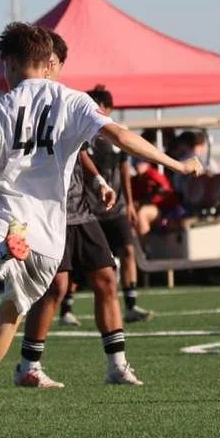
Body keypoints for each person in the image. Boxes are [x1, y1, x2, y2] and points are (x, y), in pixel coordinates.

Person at [0, 22, 202, 424]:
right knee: (9, 316)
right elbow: (120, 135)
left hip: (5, 216)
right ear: (48, 62)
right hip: (48, 235)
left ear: (11, 63)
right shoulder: (73, 100)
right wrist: (177, 163)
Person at [13, 35, 143, 390]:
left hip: (80, 211)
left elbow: (82, 149)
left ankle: (116, 365)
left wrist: (99, 178)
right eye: (46, 60)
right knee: (54, 287)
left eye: (55, 61)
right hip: (47, 213)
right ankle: (28, 365)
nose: (50, 66)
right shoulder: (24, 101)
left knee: (105, 277)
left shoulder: (69, 99)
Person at [86, 85, 152, 323]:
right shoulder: (83, 133)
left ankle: (131, 305)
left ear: (108, 108)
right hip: (88, 209)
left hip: (117, 207)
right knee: (81, 261)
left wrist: (131, 204)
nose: (93, 110)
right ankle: (66, 309)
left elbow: (125, 170)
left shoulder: (118, 133)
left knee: (128, 250)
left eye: (98, 106)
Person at [131, 159, 180, 236]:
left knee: (142, 212)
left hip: (163, 209)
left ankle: (145, 243)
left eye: (140, 163)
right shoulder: (135, 180)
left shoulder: (154, 174)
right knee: (129, 212)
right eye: (135, 163)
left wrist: (155, 193)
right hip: (148, 206)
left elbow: (168, 193)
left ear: (147, 163)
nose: (137, 166)